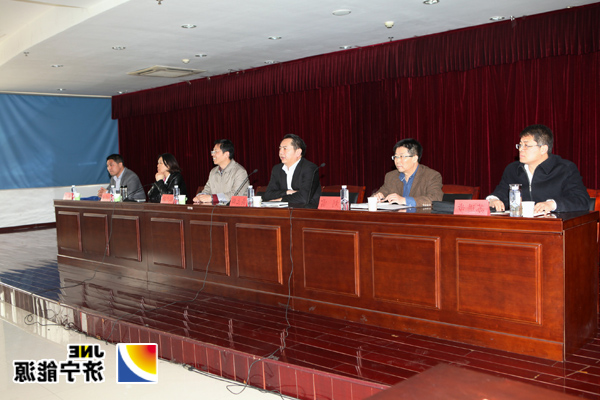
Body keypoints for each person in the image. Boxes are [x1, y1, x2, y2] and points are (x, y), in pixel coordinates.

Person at [487, 124, 589, 214]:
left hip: (552, 226)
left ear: (543, 149)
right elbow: (500, 193)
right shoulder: (512, 169)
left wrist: (551, 204)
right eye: (520, 145)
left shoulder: (565, 169)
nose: (521, 149)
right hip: (520, 225)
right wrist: (493, 200)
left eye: (526, 145)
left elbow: (581, 200)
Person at [374, 138, 443, 207]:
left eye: (402, 156)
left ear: (414, 158)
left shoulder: (431, 176)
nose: (397, 161)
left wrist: (404, 200)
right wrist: (377, 197)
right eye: (396, 157)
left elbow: (435, 198)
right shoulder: (391, 176)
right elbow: (380, 193)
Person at [263, 134, 322, 207]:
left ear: (298, 152)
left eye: (285, 148)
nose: (281, 152)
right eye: (280, 148)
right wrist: (287, 192)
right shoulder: (277, 169)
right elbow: (268, 195)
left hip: (306, 210)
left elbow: (304, 198)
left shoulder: (309, 168)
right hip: (283, 211)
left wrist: (281, 199)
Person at [193, 139, 248, 203]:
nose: (212, 154)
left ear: (226, 154)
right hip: (216, 208)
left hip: (234, 209)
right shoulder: (213, 171)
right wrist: (199, 197)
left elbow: (236, 195)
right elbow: (207, 190)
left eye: (216, 151)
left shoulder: (240, 172)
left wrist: (212, 198)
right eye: (212, 152)